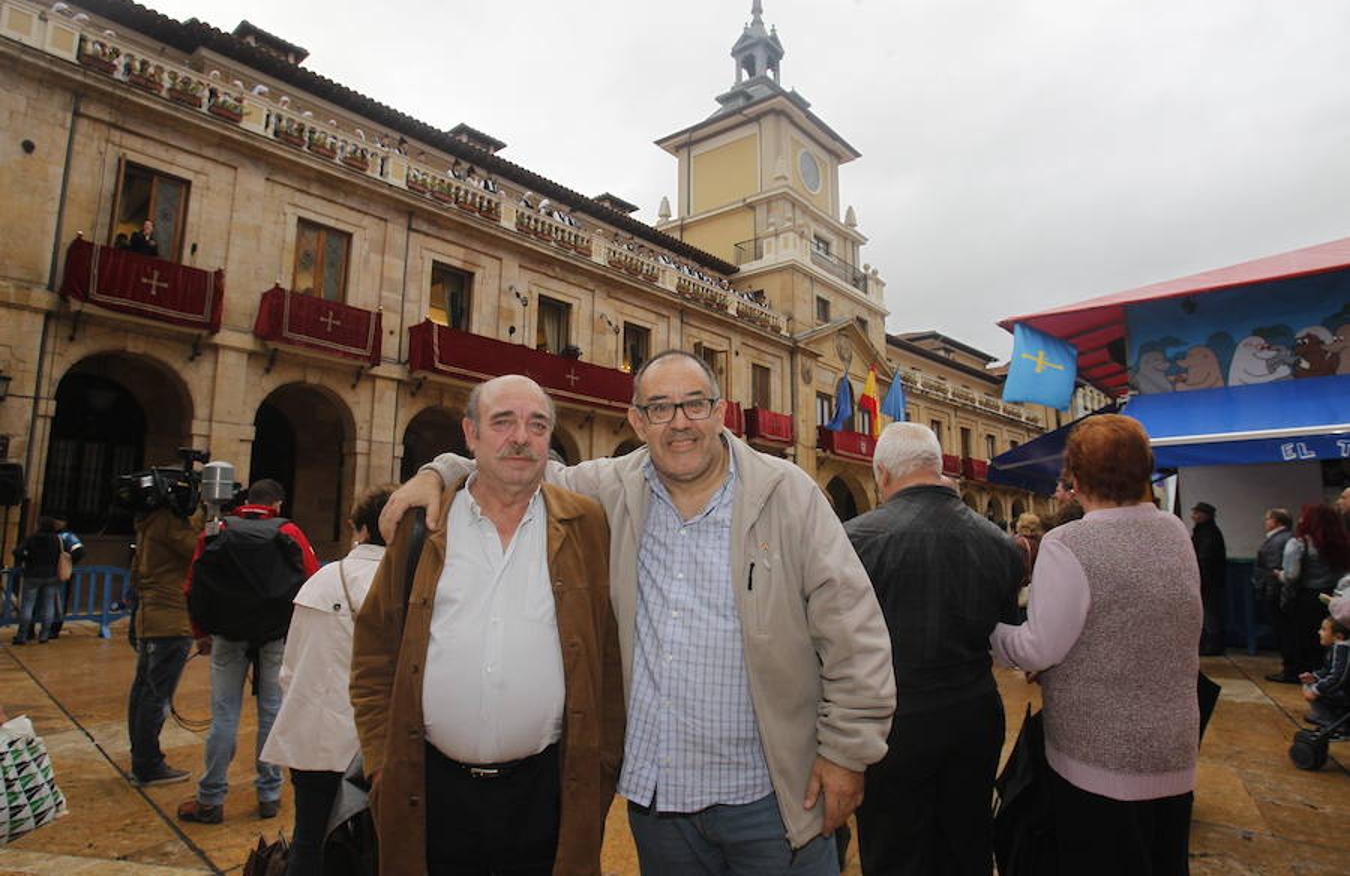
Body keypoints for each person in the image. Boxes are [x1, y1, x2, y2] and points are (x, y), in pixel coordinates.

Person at [383, 350, 895, 874]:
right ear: (637, 420)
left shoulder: (786, 494)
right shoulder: (609, 488)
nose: (679, 424)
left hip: (770, 798)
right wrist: (439, 471)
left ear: (721, 413)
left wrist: (847, 753)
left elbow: (853, 631)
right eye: (659, 408)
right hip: (660, 804)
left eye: (695, 405)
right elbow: (516, 462)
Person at [351, 376, 622, 876]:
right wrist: (381, 763)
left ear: (550, 440)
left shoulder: (587, 524)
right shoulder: (423, 526)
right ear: (471, 434)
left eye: (537, 424)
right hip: (429, 793)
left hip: (548, 794)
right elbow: (373, 652)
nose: (521, 436)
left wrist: (602, 766)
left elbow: (607, 658)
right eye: (503, 422)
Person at [991, 415, 1202, 875]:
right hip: (1173, 747)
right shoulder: (1176, 533)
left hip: (1098, 757)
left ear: (1077, 477)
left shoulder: (1070, 543)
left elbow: (1039, 647)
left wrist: (993, 636)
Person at [844, 423, 1022, 875]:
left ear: (882, 474)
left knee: (893, 849)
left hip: (891, 723)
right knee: (967, 843)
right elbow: (1003, 634)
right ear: (937, 468)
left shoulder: (855, 540)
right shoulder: (1000, 544)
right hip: (975, 716)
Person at [262, 484, 394, 876]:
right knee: (376, 846)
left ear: (362, 529)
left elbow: (290, 667)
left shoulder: (320, 579)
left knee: (310, 841)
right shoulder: (408, 586)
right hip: (374, 745)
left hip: (313, 738)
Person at [177, 479, 319, 824]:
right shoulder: (288, 531)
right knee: (271, 712)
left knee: (224, 715)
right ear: (278, 505)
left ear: (245, 501)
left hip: (225, 636)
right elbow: (312, 581)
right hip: (273, 638)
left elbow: (193, 585)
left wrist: (201, 634)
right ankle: (269, 795)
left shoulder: (218, 528)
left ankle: (210, 798)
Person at [126, 501, 203, 786]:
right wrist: (205, 516)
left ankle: (140, 757)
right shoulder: (170, 524)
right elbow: (198, 549)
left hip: (149, 615)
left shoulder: (147, 522)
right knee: (156, 694)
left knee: (143, 689)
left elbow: (135, 575)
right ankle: (148, 764)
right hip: (171, 617)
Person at [1279, 503, 1350, 676]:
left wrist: (1279, 575)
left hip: (1306, 597)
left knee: (1304, 637)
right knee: (1330, 638)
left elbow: (1292, 575)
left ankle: (1303, 673)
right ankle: (1328, 672)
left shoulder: (1299, 543)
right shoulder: (1341, 543)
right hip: (1335, 598)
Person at [1253, 509, 1297, 683]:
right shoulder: (1285, 538)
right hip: (1279, 592)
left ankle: (1290, 669)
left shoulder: (1277, 540)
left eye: (1268, 518)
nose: (1265, 521)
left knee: (1284, 632)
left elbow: (1273, 569)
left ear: (1278, 521)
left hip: (1276, 592)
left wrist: (1268, 592)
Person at [12, 517, 68, 645]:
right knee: (49, 605)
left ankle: (22, 636)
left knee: (27, 605)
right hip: (51, 575)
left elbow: (17, 552)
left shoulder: (32, 538)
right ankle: (44, 635)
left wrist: (27, 558)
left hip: (33, 574)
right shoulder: (57, 539)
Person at [1299, 616, 1350, 732]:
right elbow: (1328, 670)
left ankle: (1335, 725)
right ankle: (1328, 718)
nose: (1319, 632)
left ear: (1339, 636)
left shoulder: (1343, 649)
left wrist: (1316, 690)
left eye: (1323, 629)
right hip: (1344, 689)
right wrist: (1315, 677)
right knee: (1310, 685)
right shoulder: (1337, 647)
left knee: (1312, 690)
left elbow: (1338, 677)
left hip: (1346, 693)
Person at [1192, 501, 1228, 655]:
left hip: (1208, 581)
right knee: (1209, 613)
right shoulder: (1208, 531)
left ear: (1205, 515)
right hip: (1211, 579)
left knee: (1209, 614)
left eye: (1197, 513)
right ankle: (1210, 643)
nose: (1193, 516)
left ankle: (1213, 645)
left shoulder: (1208, 533)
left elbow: (1204, 558)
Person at [44, 516, 85, 640]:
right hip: (59, 574)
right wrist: (68, 563)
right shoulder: (66, 536)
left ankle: (33, 630)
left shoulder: (63, 536)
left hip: (45, 573)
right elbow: (79, 551)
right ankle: (51, 630)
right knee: (57, 602)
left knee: (41, 601)